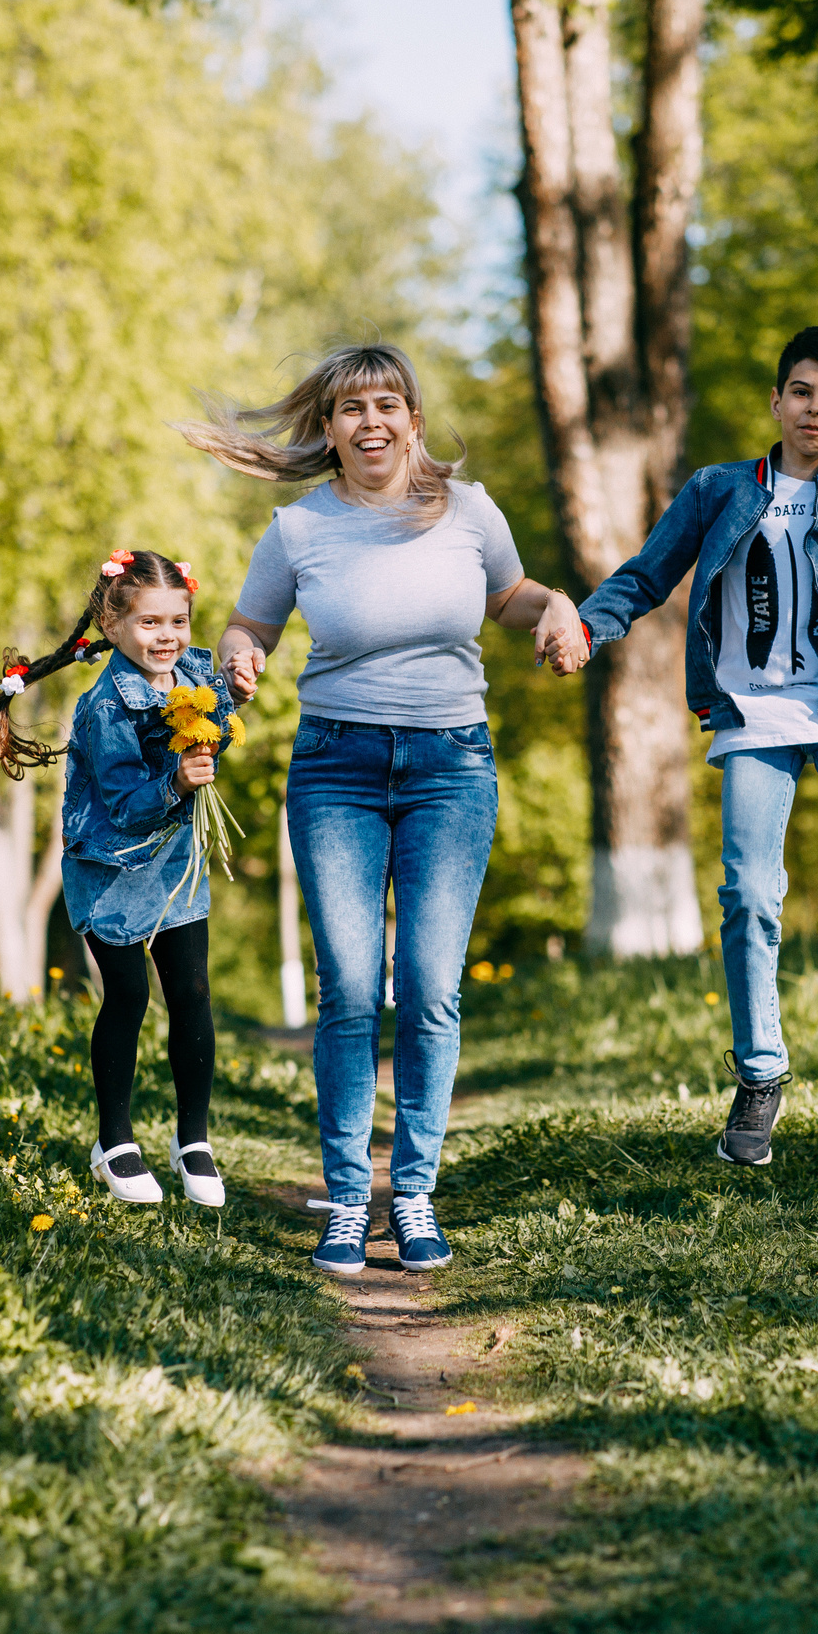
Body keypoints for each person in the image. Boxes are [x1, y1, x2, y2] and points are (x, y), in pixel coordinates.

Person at [183, 344, 587, 1274]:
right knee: (352, 989)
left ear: (412, 420)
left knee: (431, 987)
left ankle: (413, 1195)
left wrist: (559, 606)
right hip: (338, 768)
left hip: (451, 766)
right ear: (328, 430)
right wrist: (239, 653)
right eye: (352, 409)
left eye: (387, 405)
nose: (371, 422)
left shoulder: (470, 510)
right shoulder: (298, 529)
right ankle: (343, 1199)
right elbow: (250, 623)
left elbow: (510, 598)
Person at [570, 326, 818, 1165]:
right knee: (749, 894)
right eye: (801, 392)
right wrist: (586, 625)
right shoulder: (718, 489)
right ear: (776, 400)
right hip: (753, 716)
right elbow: (645, 575)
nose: (814, 410)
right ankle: (759, 1076)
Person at [0, 548, 237, 1207]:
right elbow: (124, 806)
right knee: (128, 995)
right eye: (150, 622)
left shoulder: (194, 672)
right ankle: (114, 1140)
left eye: (178, 620)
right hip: (110, 870)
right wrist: (178, 780)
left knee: (192, 992)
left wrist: (235, 695)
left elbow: (219, 717)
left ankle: (193, 1139)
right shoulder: (104, 707)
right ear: (113, 624)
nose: (167, 636)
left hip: (174, 863)